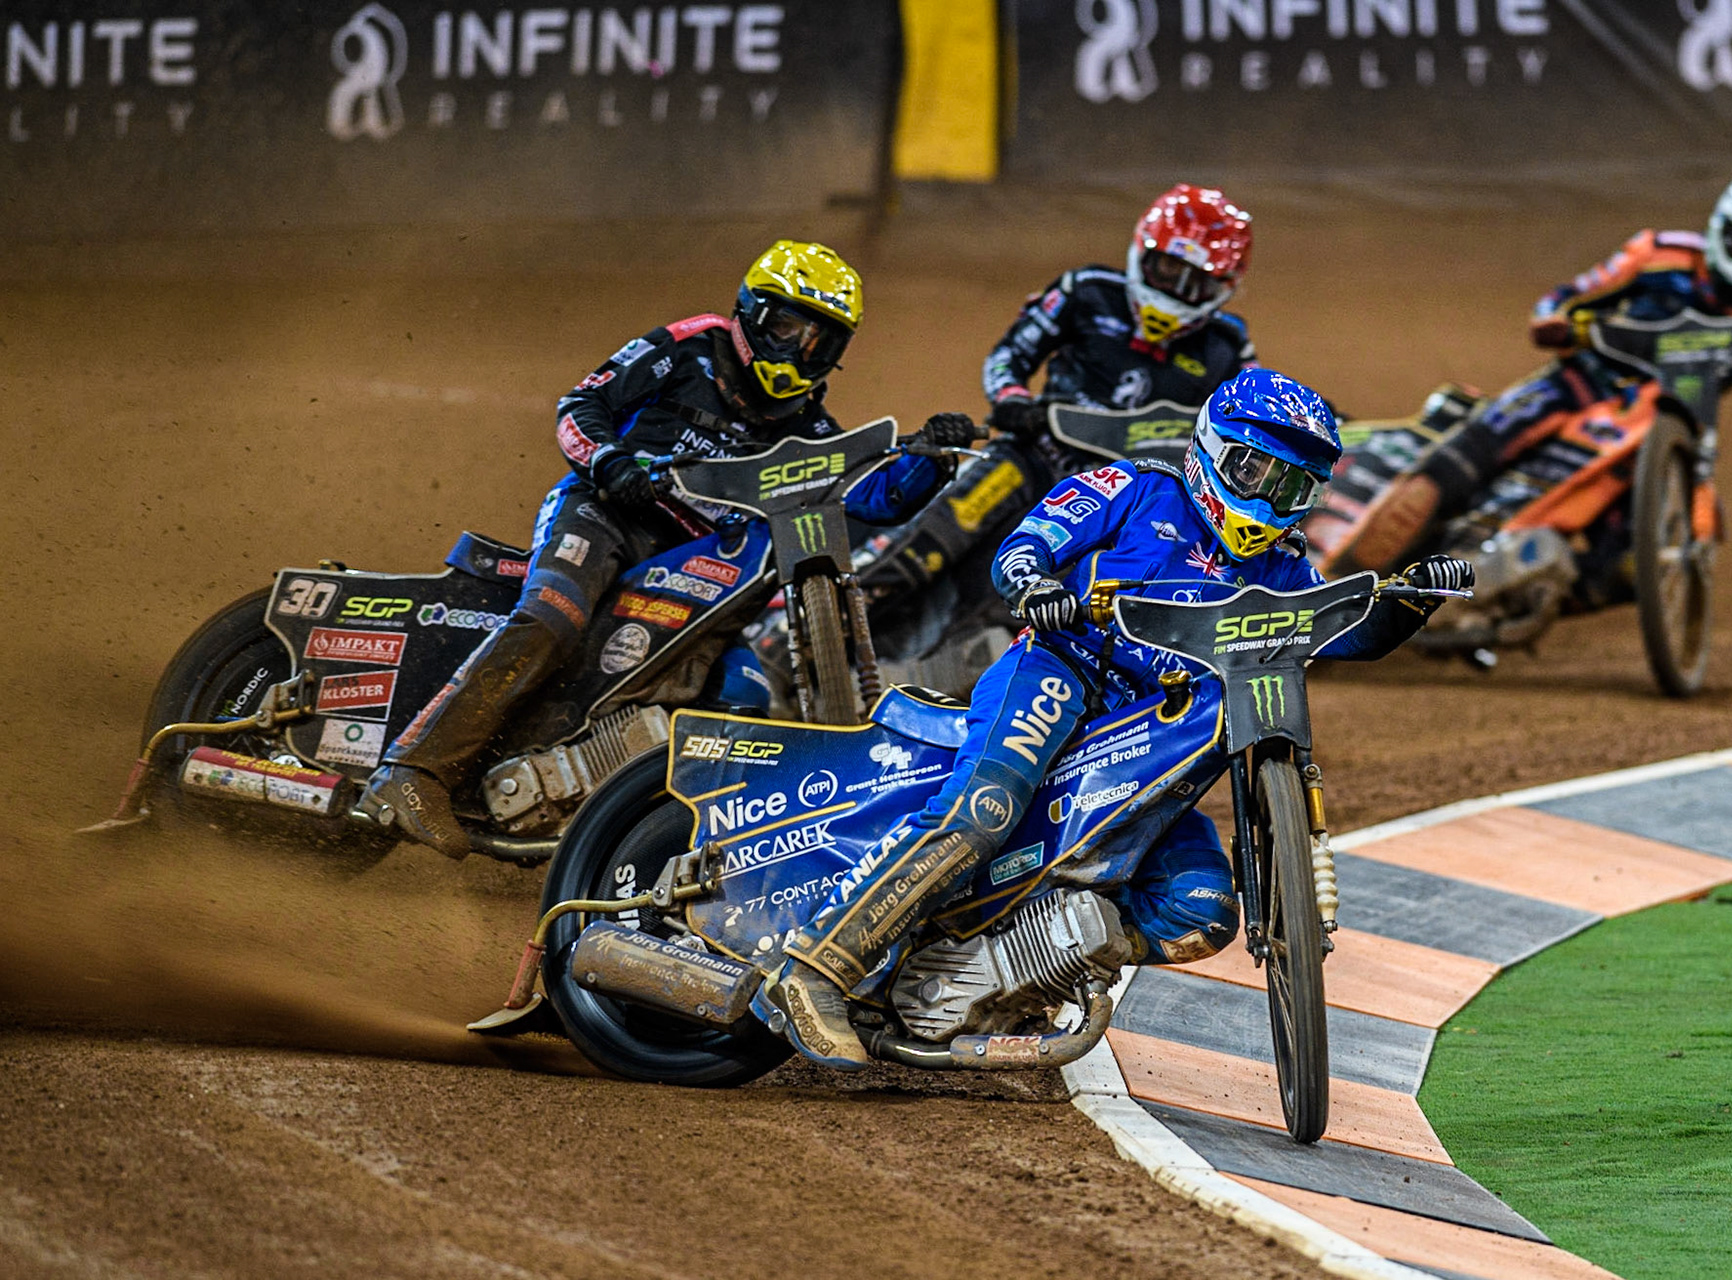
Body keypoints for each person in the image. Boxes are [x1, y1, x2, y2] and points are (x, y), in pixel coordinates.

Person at [753, 368, 1473, 1068]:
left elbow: (1344, 633)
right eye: (1257, 475)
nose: (1269, 501)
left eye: (1293, 488)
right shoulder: (1135, 487)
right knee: (984, 810)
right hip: (1064, 674)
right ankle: (818, 964)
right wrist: (1036, 583)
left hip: (1159, 735)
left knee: (1202, 913)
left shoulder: (1284, 567)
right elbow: (1026, 545)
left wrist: (1410, 601)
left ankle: (1007, 972)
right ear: (1215, 451)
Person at [361, 241, 973, 858]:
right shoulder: (690, 346)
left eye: (822, 343)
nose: (799, 353)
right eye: (788, 327)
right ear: (752, 312)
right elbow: (581, 405)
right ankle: (413, 772)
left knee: (739, 689)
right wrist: (611, 461)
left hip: (694, 563)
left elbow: (874, 497)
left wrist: (932, 460)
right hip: (605, 513)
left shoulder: (808, 427)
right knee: (554, 617)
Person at [1324, 160, 1732, 573]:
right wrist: (1556, 321)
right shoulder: (1658, 256)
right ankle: (1348, 583)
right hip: (1573, 387)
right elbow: (1566, 297)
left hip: (1654, 437)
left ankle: (1518, 597)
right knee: (1460, 460)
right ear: (1723, 224)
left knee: (1633, 562)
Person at [982, 183, 1258, 435]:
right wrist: (1012, 398)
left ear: (1223, 286)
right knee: (966, 492)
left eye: (1196, 281)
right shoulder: (1086, 291)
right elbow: (1011, 353)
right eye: (1170, 269)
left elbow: (1249, 426)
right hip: (1045, 452)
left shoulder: (1228, 345)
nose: (1177, 288)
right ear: (1144, 253)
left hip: (1145, 484)